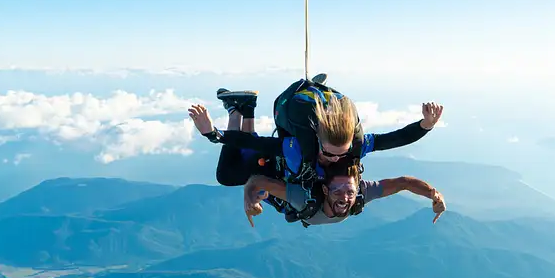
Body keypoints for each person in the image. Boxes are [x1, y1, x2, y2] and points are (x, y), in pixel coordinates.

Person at [187, 88, 444, 188]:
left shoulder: (356, 146)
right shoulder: (298, 147)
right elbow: (254, 142)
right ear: (316, 140)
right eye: (330, 152)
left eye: (340, 153)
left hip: (287, 168)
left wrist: (425, 126)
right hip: (282, 162)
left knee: (248, 161)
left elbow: (395, 139)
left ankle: (245, 106)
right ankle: (236, 109)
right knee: (228, 175)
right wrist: (214, 134)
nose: (335, 158)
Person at [243, 155, 447, 228]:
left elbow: (403, 182)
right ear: (325, 189)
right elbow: (256, 181)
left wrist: (433, 194)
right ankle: (242, 108)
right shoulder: (302, 197)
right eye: (338, 190)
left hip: (299, 206)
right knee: (233, 174)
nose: (345, 197)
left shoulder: (361, 193)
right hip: (281, 186)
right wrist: (250, 200)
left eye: (349, 190)